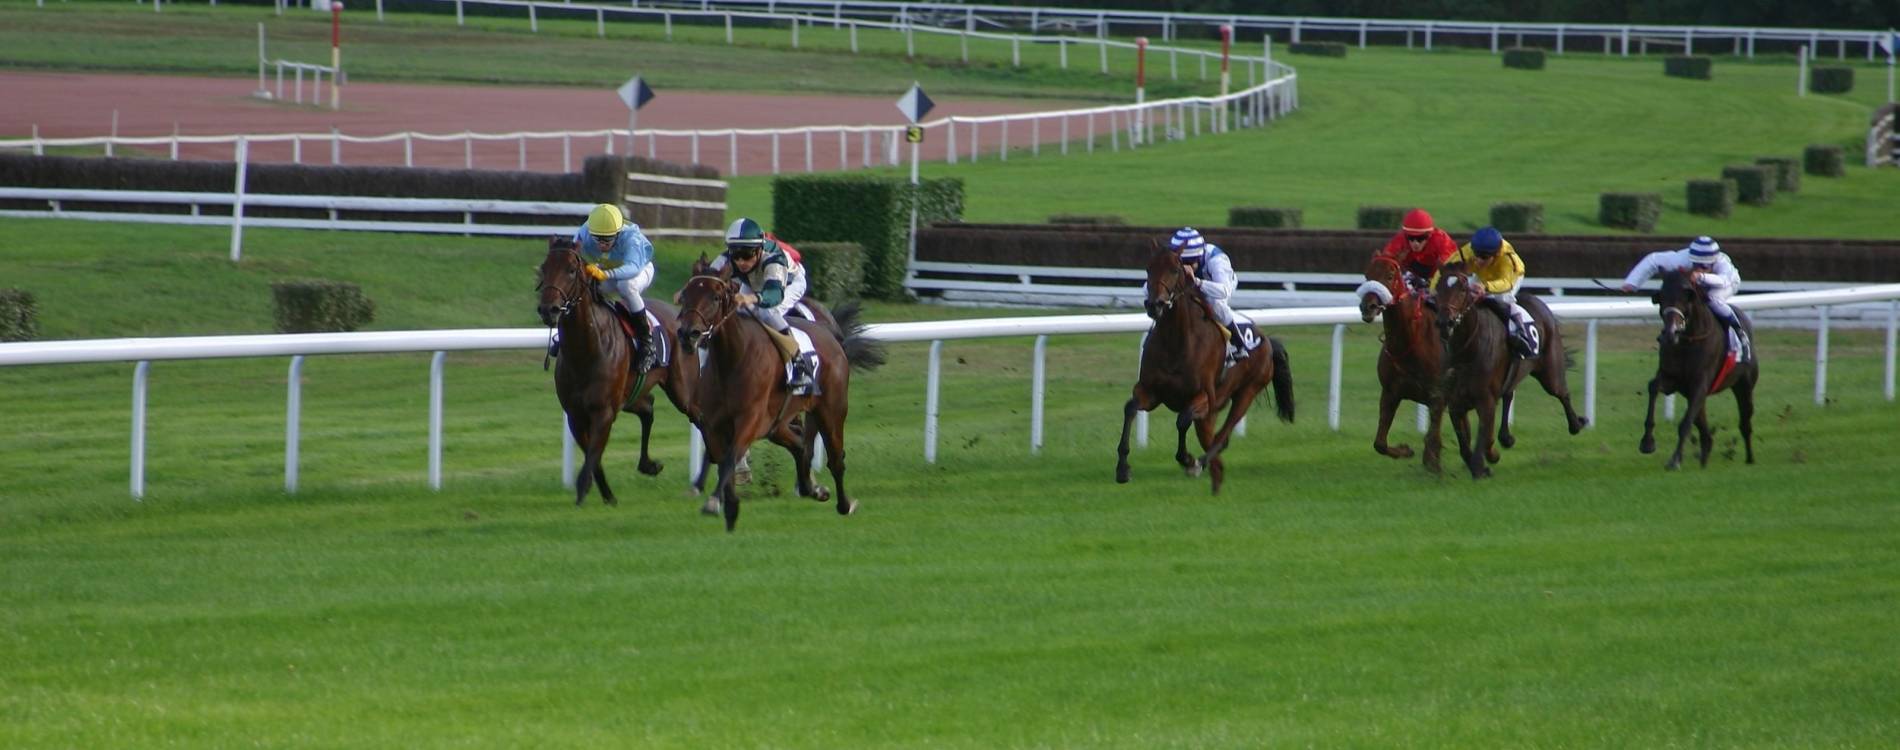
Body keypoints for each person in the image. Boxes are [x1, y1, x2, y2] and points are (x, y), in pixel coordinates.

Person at [709, 217, 817, 391]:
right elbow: (708, 279)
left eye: (747, 255)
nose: (741, 261)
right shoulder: (727, 259)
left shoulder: (773, 258)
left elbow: (773, 295)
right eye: (736, 255)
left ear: (759, 250)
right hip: (754, 282)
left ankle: (799, 364)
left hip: (787, 283)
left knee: (767, 312)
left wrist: (751, 299)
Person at [1621, 235, 1749, 361]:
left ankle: (1739, 337)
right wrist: (1632, 283)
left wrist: (1701, 277)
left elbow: (1723, 281)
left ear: (1713, 261)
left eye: (1704, 266)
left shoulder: (1722, 264)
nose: (1700, 268)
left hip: (1726, 284)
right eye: (1696, 264)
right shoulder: (1680, 259)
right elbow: (1653, 260)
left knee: (1713, 298)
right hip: (1699, 283)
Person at [574, 203, 659, 371]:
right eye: (597, 238)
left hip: (639, 270)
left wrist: (606, 274)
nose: (601, 244)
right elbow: (574, 253)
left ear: (618, 233)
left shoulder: (632, 239)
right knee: (587, 288)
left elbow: (632, 268)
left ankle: (647, 343)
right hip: (608, 268)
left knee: (626, 287)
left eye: (607, 239)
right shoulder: (584, 232)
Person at [1439, 227, 1540, 359]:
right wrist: (1434, 287)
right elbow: (1447, 269)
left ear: (1496, 254)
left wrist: (1485, 287)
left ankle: (1520, 333)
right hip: (1483, 274)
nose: (1478, 260)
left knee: (1502, 299)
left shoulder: (1508, 259)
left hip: (1509, 278)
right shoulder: (1468, 251)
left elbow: (1506, 283)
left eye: (1484, 257)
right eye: (1476, 254)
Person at [1169, 227, 1259, 365]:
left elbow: (1224, 291)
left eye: (1189, 263)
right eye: (1181, 263)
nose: (1185, 268)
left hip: (1220, 285)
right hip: (1197, 284)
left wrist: (1197, 282)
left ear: (1198, 257)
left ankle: (1239, 345)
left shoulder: (1217, 260)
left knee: (1216, 304)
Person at [1375, 208, 1459, 292]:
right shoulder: (1400, 240)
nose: (1415, 243)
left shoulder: (1441, 240)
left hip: (1438, 279)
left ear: (1429, 235)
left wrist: (1434, 282)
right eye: (1411, 238)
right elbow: (1386, 261)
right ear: (1405, 235)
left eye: (1420, 238)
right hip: (1411, 277)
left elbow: (1451, 267)